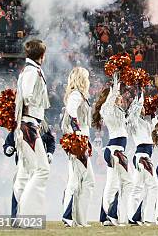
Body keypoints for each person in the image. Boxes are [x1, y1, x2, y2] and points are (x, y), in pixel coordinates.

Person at [13, 39, 51, 219]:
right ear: (41, 55)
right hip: (28, 124)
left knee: (29, 171)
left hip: (29, 123)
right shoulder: (32, 71)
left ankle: (23, 213)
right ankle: (26, 213)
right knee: (42, 170)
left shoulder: (31, 70)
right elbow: (27, 96)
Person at [93, 75, 132, 226]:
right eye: (117, 95)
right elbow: (112, 97)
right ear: (111, 96)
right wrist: (116, 82)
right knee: (120, 183)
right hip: (114, 149)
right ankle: (112, 215)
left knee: (114, 183)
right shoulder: (106, 109)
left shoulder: (116, 110)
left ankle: (106, 217)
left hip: (116, 149)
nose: (120, 96)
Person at [61, 67, 94, 227]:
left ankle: (79, 219)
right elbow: (71, 111)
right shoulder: (76, 95)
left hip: (82, 140)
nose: (89, 80)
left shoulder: (80, 96)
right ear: (82, 79)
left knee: (87, 181)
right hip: (78, 141)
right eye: (86, 77)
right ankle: (68, 217)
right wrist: (78, 133)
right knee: (75, 180)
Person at [127, 90, 157, 225]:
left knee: (138, 187)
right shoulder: (134, 121)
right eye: (142, 107)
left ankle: (133, 216)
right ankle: (146, 217)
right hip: (141, 155)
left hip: (145, 156)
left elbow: (156, 132)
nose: (144, 108)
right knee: (151, 186)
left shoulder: (145, 123)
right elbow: (134, 111)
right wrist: (140, 94)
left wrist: (154, 115)